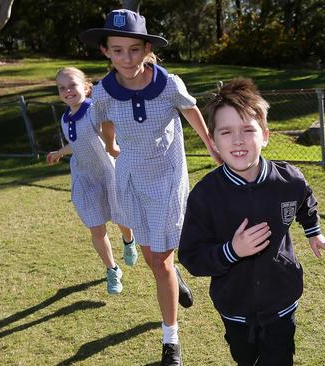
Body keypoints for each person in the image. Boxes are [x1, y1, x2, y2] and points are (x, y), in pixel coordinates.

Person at [78, 9, 220, 365]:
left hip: (168, 176)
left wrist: (211, 146)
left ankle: (170, 341)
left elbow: (191, 112)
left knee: (161, 260)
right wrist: (112, 146)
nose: (127, 58)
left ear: (146, 50)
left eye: (134, 49)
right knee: (155, 260)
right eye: (118, 50)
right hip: (131, 178)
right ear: (106, 52)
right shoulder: (105, 92)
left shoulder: (168, 84)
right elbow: (103, 122)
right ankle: (173, 277)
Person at [178, 78, 325, 366]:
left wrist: (315, 233)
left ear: (264, 135)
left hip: (281, 301)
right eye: (226, 132)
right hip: (234, 307)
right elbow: (190, 256)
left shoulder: (289, 180)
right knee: (245, 359)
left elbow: (305, 200)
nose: (238, 140)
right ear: (213, 141)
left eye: (248, 130)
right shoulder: (205, 195)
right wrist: (232, 251)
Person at [47, 66, 138, 295]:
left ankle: (129, 241)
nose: (67, 91)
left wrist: (113, 146)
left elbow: (110, 129)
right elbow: (76, 143)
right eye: (62, 88)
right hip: (85, 177)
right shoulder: (65, 118)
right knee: (96, 228)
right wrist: (60, 152)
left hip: (108, 172)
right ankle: (112, 270)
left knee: (120, 218)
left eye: (72, 85)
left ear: (85, 87)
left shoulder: (94, 110)